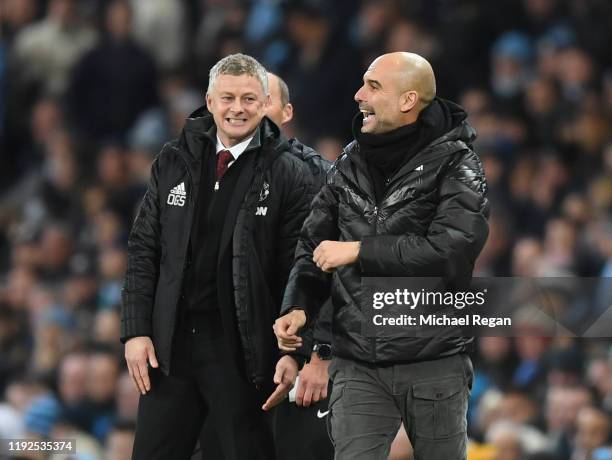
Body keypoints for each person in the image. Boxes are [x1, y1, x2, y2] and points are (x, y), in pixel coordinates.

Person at [273, 52, 490, 460]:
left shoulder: (458, 164)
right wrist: (299, 306)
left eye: (373, 86)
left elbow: (452, 251)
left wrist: (359, 251)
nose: (358, 95)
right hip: (357, 361)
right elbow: (313, 246)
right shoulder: (350, 161)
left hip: (433, 358)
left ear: (408, 100)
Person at [120, 53, 316, 460]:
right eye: (227, 98)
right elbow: (144, 250)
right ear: (209, 101)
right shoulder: (173, 161)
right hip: (169, 346)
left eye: (248, 99)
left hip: (241, 353)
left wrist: (294, 352)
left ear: (264, 104)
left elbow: (299, 269)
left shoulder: (290, 172)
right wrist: (136, 331)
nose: (237, 109)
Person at [264, 72, 334, 460]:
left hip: (301, 364)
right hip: (241, 368)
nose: (249, 108)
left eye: (263, 98)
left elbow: (332, 273)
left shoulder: (320, 178)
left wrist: (316, 355)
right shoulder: (211, 180)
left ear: (287, 111)